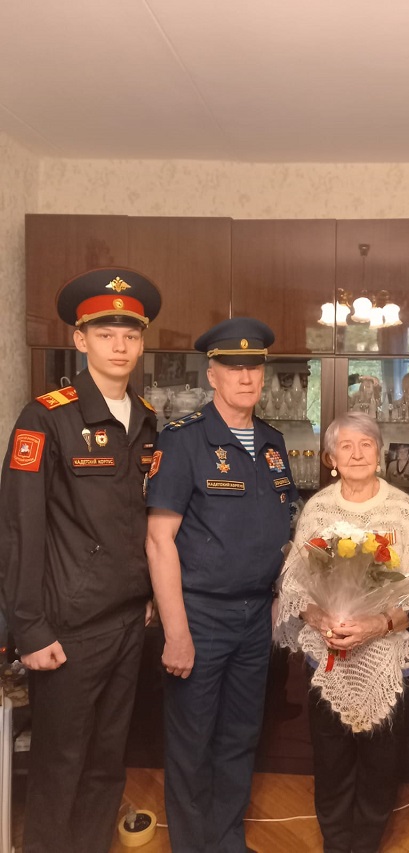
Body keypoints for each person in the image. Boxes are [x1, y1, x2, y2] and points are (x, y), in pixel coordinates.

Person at [0, 267, 161, 853]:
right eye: (105, 333)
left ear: (141, 343)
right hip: (67, 628)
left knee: (106, 761)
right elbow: (19, 528)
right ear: (80, 339)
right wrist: (29, 627)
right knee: (60, 764)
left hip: (127, 619)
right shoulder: (45, 416)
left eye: (130, 335)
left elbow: (140, 519)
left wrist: (148, 596)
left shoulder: (145, 419)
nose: (119, 346)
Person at [145, 317, 297, 853]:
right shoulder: (183, 440)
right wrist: (176, 632)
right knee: (192, 742)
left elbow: (282, 530)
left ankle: (227, 840)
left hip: (255, 618)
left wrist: (278, 600)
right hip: (200, 616)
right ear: (212, 374)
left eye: (254, 366)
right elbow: (159, 541)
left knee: (240, 736)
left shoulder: (274, 443)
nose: (246, 376)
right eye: (233, 367)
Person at [275, 411, 409, 853]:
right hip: (328, 657)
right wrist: (320, 619)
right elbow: (295, 584)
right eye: (346, 446)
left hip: (393, 660)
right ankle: (336, 844)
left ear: (379, 453)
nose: (356, 454)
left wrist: (378, 624)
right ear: (330, 458)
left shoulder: (403, 510)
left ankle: (365, 844)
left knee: (381, 765)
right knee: (331, 761)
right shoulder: (319, 509)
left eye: (366, 445)